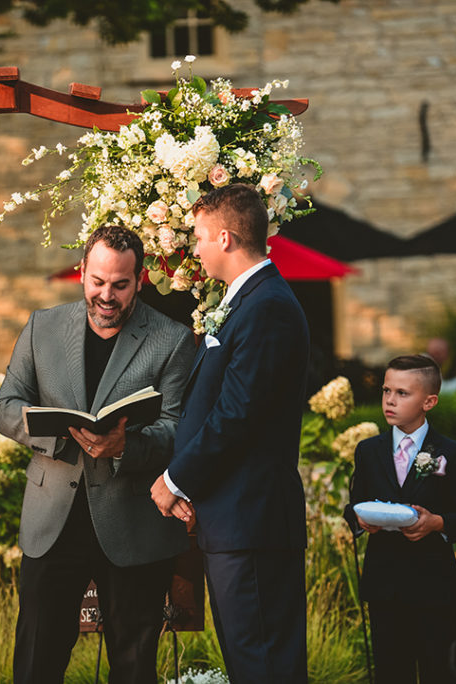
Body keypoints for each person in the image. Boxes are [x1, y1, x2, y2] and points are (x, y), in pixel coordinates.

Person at [0, 224, 196, 684]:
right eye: (98, 282)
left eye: (120, 285)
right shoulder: (41, 327)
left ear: (140, 279)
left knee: (133, 666)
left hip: (134, 525)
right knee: (35, 662)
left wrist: (127, 446)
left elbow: (179, 430)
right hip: (51, 523)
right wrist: (56, 432)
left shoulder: (174, 340)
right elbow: (4, 407)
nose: (107, 296)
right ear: (82, 272)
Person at [150, 183, 310, 682]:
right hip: (237, 519)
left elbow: (238, 414)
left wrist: (175, 480)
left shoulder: (267, 308)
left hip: (253, 522)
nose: (193, 249)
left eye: (198, 237)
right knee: (250, 661)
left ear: (224, 238)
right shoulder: (247, 301)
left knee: (262, 661)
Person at [344, 355, 456, 683]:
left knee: (440, 672)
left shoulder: (451, 453)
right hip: (384, 586)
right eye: (386, 390)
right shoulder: (368, 451)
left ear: (429, 402)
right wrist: (360, 520)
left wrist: (437, 523)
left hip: (434, 586)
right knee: (392, 673)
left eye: (402, 393)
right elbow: (352, 506)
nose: (390, 400)